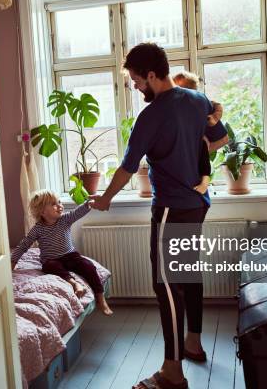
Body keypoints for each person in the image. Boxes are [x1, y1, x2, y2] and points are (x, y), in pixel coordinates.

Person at [90, 43, 228, 389]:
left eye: (137, 81)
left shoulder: (150, 117)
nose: (136, 88)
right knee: (188, 271)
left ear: (151, 75)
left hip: (170, 209)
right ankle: (192, 343)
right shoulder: (198, 100)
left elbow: (126, 167)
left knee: (165, 284)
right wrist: (188, 148)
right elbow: (221, 138)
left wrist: (106, 199)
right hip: (197, 205)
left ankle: (172, 371)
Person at [11, 190, 113, 316]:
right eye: (54, 204)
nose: (59, 205)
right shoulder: (38, 229)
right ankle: (74, 283)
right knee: (51, 266)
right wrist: (13, 261)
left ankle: (100, 298)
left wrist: (89, 204)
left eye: (59, 201)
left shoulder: (65, 220)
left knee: (89, 266)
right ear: (42, 212)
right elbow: (24, 245)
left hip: (71, 255)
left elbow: (78, 212)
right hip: (52, 259)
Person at [173, 71, 230, 195]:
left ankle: (205, 181)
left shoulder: (201, 103)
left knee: (202, 145)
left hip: (200, 142)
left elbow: (217, 106)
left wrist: (214, 117)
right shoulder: (176, 108)